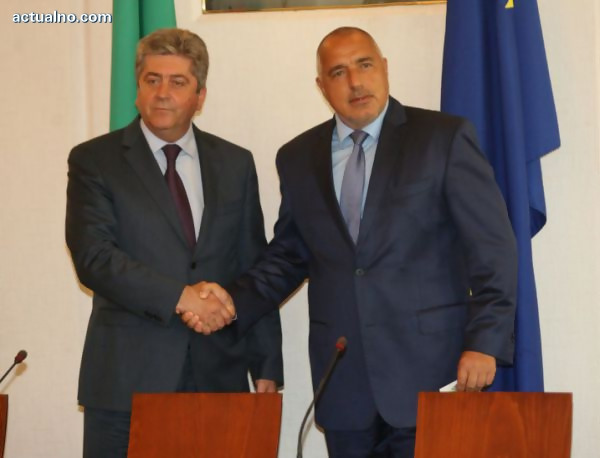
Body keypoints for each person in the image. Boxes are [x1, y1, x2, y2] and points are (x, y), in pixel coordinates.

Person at [187, 26, 518, 457]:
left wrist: (484, 343)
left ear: (384, 68)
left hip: (433, 374)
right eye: (338, 72)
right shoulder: (297, 157)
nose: (356, 82)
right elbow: (289, 256)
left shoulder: (443, 138)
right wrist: (231, 301)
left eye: (364, 65)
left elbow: (493, 250)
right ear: (322, 86)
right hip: (344, 382)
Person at [65, 28, 283, 458]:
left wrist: (267, 365)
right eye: (152, 79)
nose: (162, 93)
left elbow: (252, 264)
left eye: (178, 82)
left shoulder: (235, 163)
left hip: (218, 376)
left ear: (200, 96)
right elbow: (95, 257)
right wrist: (182, 297)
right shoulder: (95, 160)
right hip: (127, 381)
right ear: (137, 90)